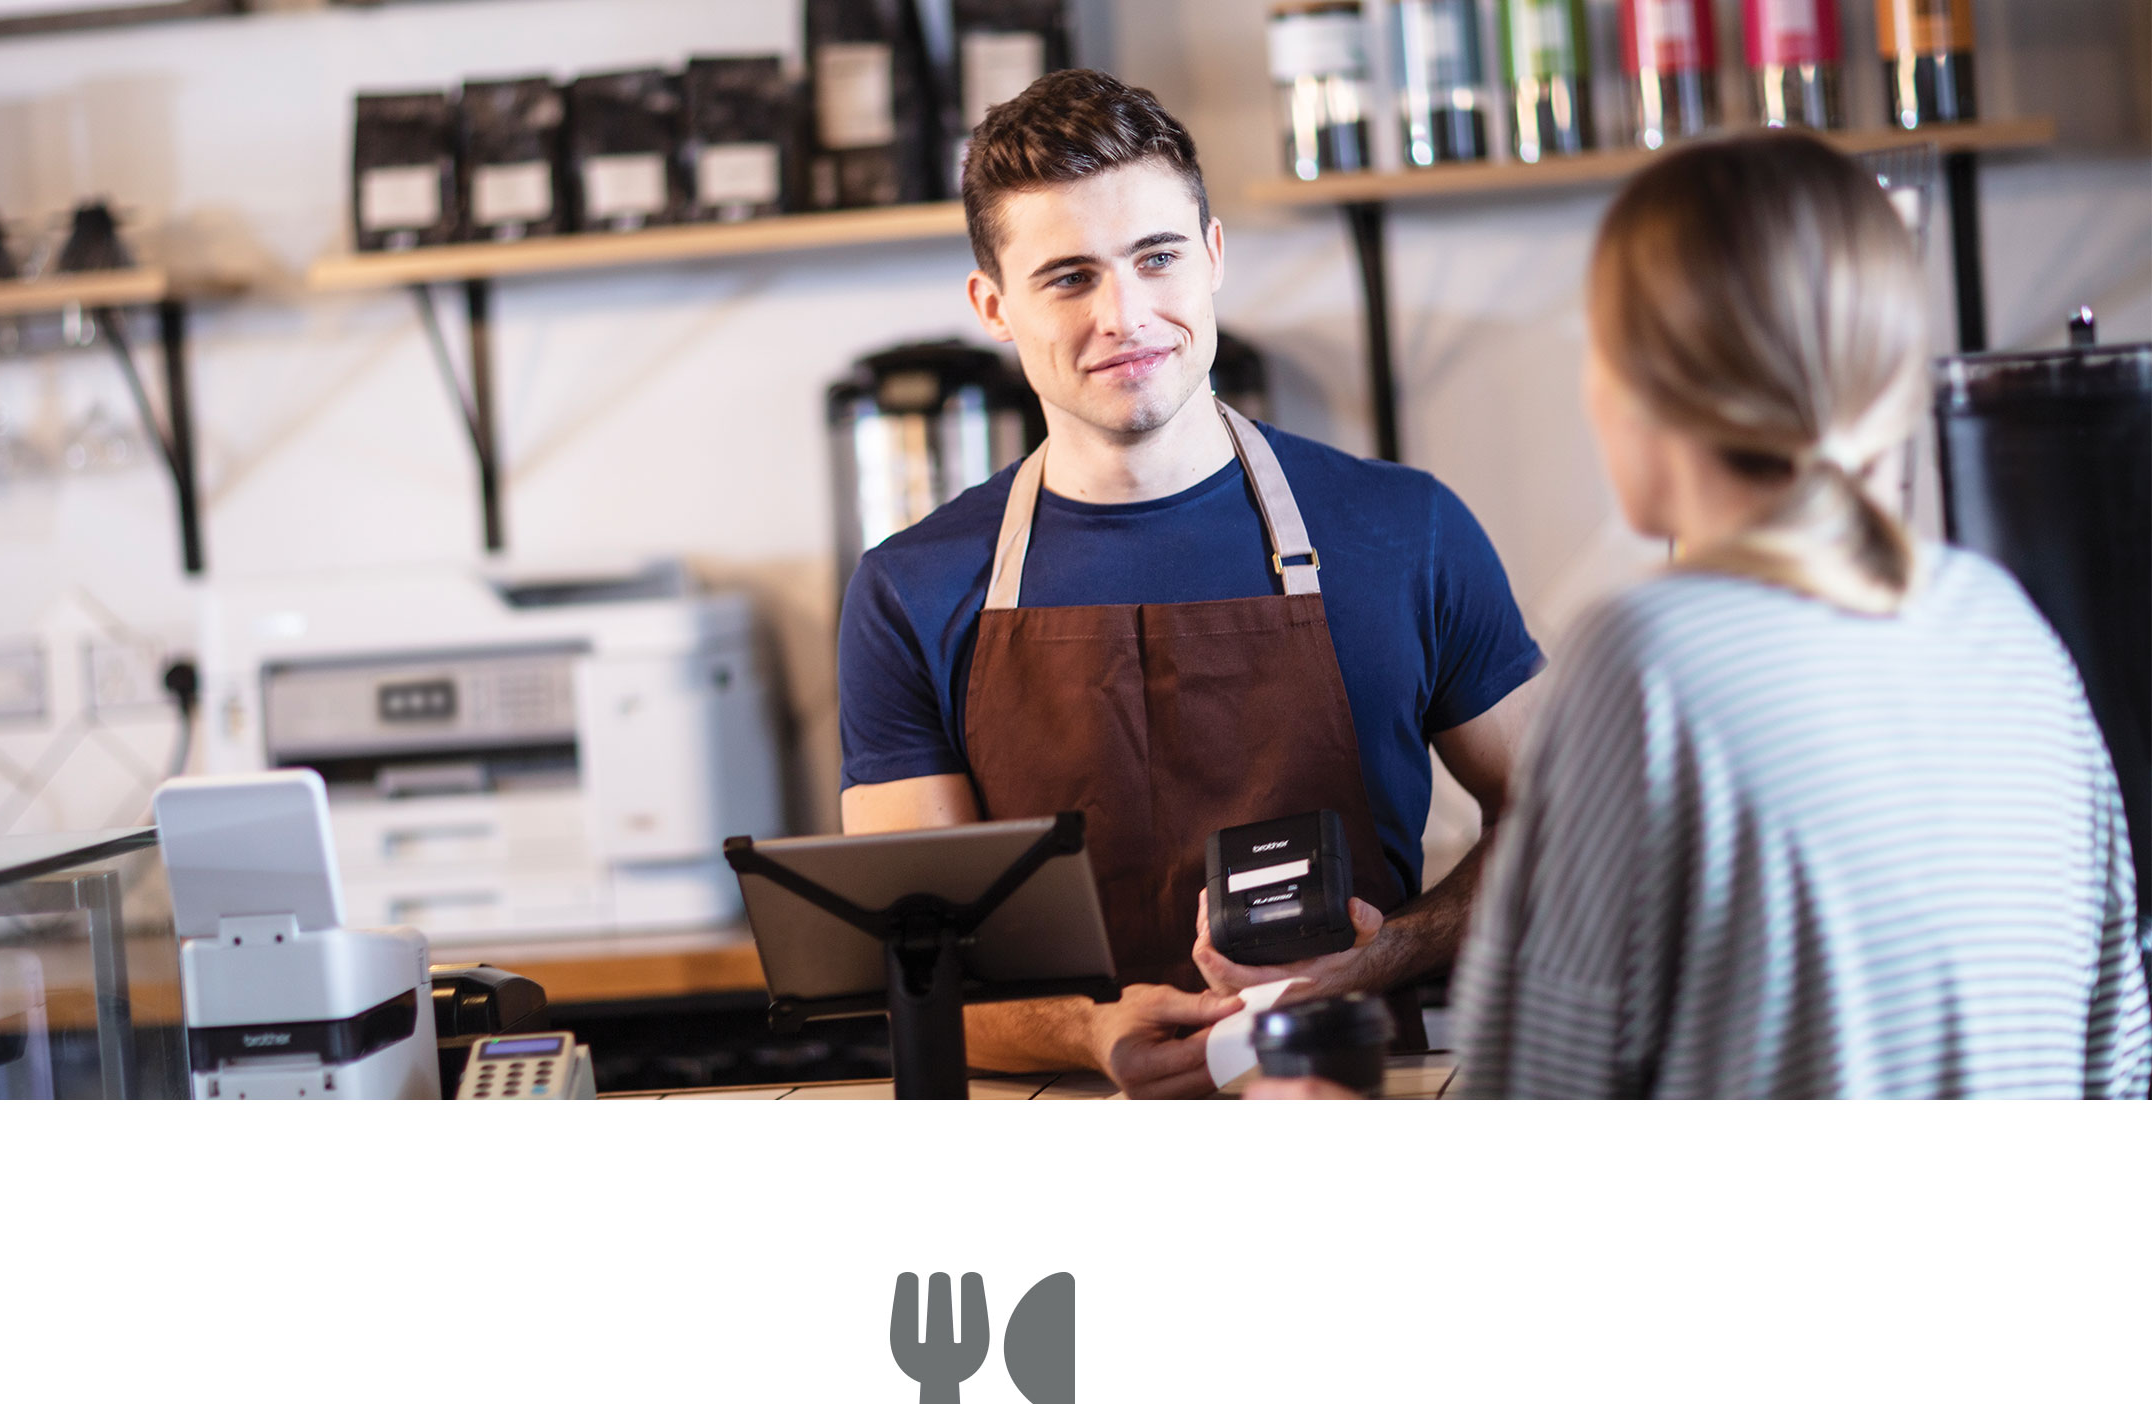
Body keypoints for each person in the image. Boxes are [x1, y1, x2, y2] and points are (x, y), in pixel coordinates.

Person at [1256, 132, 2150, 1100]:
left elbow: (1540, 1125)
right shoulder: (2003, 627)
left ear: (1646, 388)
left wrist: (1327, 1120)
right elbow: (2118, 1067)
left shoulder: (1648, 663)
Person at [837, 71, 1545, 1098]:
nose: (1126, 314)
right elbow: (913, 954)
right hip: (1064, 1130)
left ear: (1211, 258)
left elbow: (1556, 821)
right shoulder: (910, 589)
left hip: (1342, 1109)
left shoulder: (1405, 530)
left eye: (1156, 257)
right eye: (1069, 277)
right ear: (994, 305)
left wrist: (1384, 952)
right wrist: (1088, 1033)